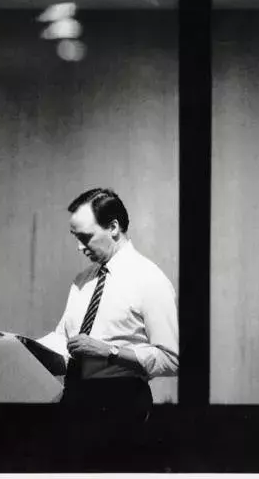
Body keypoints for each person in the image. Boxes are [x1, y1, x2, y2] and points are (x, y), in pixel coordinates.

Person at [43, 187, 178, 457]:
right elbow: (66, 337)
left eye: (85, 237)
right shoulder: (82, 280)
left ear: (114, 227)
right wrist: (36, 349)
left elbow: (171, 359)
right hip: (73, 402)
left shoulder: (150, 279)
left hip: (121, 407)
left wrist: (109, 352)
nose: (79, 247)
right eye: (75, 237)